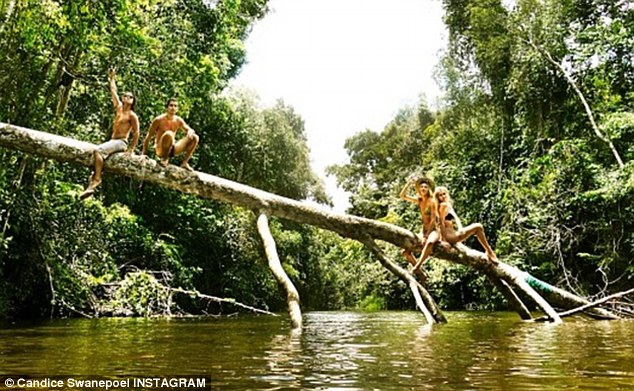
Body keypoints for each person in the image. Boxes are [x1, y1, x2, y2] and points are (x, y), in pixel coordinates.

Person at [80, 68, 140, 199]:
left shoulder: (132, 115)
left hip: (121, 142)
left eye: (130, 97)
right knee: (96, 154)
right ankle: (92, 180)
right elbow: (113, 91)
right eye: (125, 95)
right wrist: (112, 78)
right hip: (113, 141)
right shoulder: (119, 108)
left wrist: (131, 149)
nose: (127, 97)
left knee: (98, 151)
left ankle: (96, 179)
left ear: (133, 101)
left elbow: (136, 133)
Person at [434, 186, 498, 264]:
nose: (443, 196)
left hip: (454, 233)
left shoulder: (448, 204)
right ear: (437, 197)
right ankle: (489, 252)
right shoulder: (442, 206)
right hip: (449, 237)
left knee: (478, 227)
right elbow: (441, 223)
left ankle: (489, 251)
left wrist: (460, 228)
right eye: (440, 195)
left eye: (444, 194)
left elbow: (456, 217)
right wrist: (443, 240)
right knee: (478, 227)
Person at [141, 98, 199, 171]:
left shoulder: (178, 120)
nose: (173, 108)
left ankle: (185, 163)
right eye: (171, 105)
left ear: (177, 109)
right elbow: (148, 136)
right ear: (167, 107)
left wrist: (190, 131)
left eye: (175, 106)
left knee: (195, 137)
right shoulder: (159, 120)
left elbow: (188, 129)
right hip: (160, 149)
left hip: (172, 149)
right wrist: (144, 153)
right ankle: (164, 158)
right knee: (169, 134)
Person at [399, 175, 440, 271]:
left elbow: (433, 220)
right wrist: (409, 183)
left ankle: (417, 266)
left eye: (425, 187)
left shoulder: (432, 201)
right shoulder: (420, 200)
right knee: (406, 252)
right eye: (421, 187)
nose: (423, 188)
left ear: (429, 189)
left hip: (434, 230)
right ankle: (421, 273)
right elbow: (402, 196)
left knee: (429, 243)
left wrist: (426, 236)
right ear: (419, 189)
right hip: (423, 230)